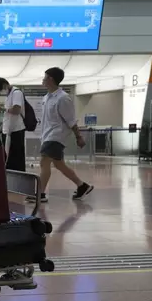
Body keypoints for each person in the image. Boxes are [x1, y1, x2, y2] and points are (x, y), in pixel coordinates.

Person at [31, 67, 94, 203]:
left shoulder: (63, 98)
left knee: (44, 162)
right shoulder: (46, 97)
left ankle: (40, 194)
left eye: (45, 77)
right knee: (59, 165)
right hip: (47, 136)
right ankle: (82, 186)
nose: (43, 79)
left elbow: (71, 120)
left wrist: (78, 136)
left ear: (51, 79)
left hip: (56, 136)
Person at [0, 77, 26, 171]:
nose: (0, 93)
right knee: (7, 157)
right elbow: (9, 116)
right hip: (8, 131)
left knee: (15, 159)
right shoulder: (8, 96)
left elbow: (16, 110)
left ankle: (18, 178)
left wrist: (2, 109)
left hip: (16, 131)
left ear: (4, 85)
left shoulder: (16, 93)